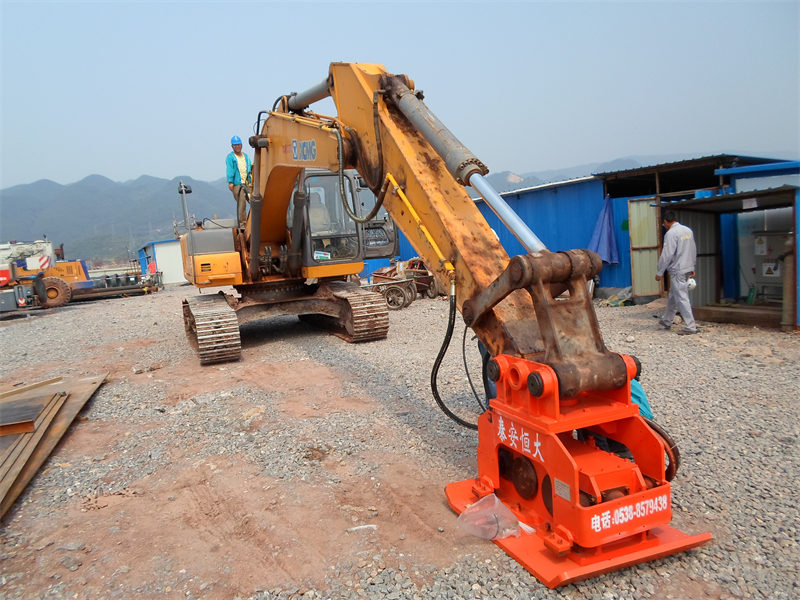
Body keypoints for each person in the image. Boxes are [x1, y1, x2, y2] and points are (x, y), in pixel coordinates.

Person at [655, 210, 698, 335]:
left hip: (677, 270)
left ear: (666, 222)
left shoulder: (671, 234)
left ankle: (691, 326)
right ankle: (667, 321)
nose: (664, 225)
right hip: (686, 268)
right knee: (674, 295)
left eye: (663, 223)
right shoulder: (688, 230)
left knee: (682, 298)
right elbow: (693, 249)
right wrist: (692, 267)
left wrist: (659, 272)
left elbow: (667, 254)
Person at [226, 135, 252, 227]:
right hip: (238, 184)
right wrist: (230, 182)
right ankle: (243, 223)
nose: (237, 146)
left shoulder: (245, 156)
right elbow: (230, 169)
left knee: (254, 200)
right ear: (232, 146)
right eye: (235, 145)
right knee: (242, 203)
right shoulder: (231, 157)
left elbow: (249, 168)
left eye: (239, 144)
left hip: (247, 183)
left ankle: (253, 220)